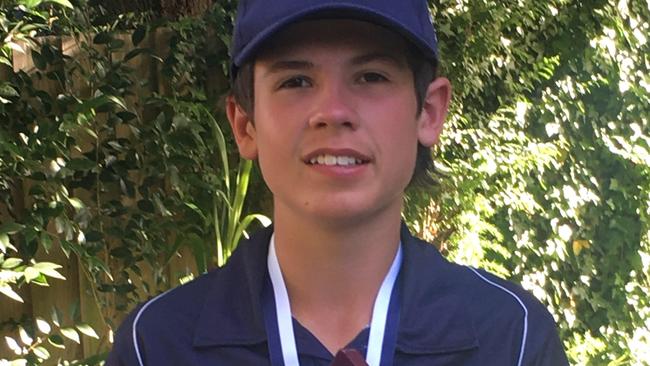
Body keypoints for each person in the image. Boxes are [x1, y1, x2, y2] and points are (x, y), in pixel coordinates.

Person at [107, 0, 569, 365]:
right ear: (245, 123)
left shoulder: (511, 338)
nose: (333, 111)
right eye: (295, 81)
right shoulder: (157, 346)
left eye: (371, 76)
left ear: (428, 112)